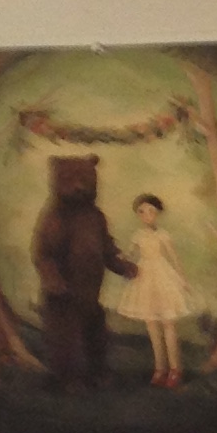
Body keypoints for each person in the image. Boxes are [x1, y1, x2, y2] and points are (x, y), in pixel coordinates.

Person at [30, 154, 133, 388]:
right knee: (67, 339)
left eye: (84, 181)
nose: (78, 187)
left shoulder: (96, 217)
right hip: (63, 296)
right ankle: (69, 378)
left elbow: (106, 248)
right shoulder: (55, 218)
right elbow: (43, 254)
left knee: (96, 335)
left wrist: (121, 266)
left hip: (90, 296)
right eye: (71, 181)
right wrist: (51, 278)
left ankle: (97, 372)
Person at [109, 190, 195, 386]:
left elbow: (173, 257)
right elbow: (130, 254)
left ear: (157, 213)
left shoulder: (163, 235)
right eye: (142, 212)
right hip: (144, 276)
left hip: (162, 275)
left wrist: (182, 279)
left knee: (168, 323)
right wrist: (121, 257)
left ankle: (175, 369)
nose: (146, 216)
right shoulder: (138, 235)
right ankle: (160, 368)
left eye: (151, 211)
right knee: (151, 323)